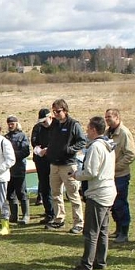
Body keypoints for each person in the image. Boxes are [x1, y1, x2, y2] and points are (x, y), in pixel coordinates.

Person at [66, 117, 117, 270]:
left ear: (94, 130)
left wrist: (76, 174)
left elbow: (91, 172)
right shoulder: (108, 145)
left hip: (98, 193)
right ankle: (100, 261)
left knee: (91, 232)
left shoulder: (96, 147)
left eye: (88, 129)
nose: (86, 132)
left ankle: (86, 265)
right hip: (108, 191)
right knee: (102, 230)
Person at [44, 99, 87, 234]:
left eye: (58, 111)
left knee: (73, 195)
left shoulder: (74, 124)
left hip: (68, 165)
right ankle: (59, 219)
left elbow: (82, 141)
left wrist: (69, 149)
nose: (55, 114)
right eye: (54, 111)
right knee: (55, 194)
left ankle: (79, 222)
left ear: (65, 110)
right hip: (54, 164)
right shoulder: (54, 124)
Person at [104, 109, 135, 243]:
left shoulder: (124, 133)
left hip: (120, 175)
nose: (107, 120)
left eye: (109, 117)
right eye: (106, 118)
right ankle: (117, 229)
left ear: (117, 117)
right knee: (113, 203)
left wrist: (114, 167)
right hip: (110, 176)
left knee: (121, 203)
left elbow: (130, 155)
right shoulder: (108, 132)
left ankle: (124, 231)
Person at [5, 115, 31, 225]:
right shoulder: (5, 137)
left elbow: (26, 151)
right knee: (10, 193)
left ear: (17, 123)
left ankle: (26, 215)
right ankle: (14, 215)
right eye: (9, 124)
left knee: (21, 192)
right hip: (8, 170)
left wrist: (12, 156)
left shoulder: (22, 136)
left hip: (19, 168)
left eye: (12, 123)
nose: (10, 126)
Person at [30, 108, 54, 224]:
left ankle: (56, 213)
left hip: (53, 161)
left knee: (54, 188)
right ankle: (49, 213)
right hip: (41, 161)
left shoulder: (56, 126)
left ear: (50, 117)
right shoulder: (37, 128)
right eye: (41, 122)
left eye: (45, 121)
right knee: (44, 188)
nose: (43, 124)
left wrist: (49, 149)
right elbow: (34, 142)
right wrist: (39, 150)